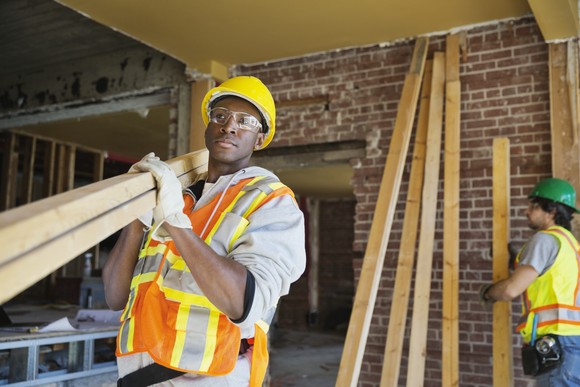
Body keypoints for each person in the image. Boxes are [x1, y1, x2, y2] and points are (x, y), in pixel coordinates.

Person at [103, 76, 307, 386]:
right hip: (138, 374)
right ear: (208, 126)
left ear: (260, 139)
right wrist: (137, 217)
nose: (229, 126)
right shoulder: (177, 195)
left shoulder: (271, 202)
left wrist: (173, 220)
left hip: (210, 377)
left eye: (245, 121)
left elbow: (243, 303)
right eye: (220, 115)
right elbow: (115, 297)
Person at [479, 177, 580, 386]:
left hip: (558, 346)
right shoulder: (571, 244)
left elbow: (510, 290)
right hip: (574, 344)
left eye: (533, 206)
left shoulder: (544, 240)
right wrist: (517, 261)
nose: (527, 211)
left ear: (551, 211)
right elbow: (549, 278)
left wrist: (488, 292)